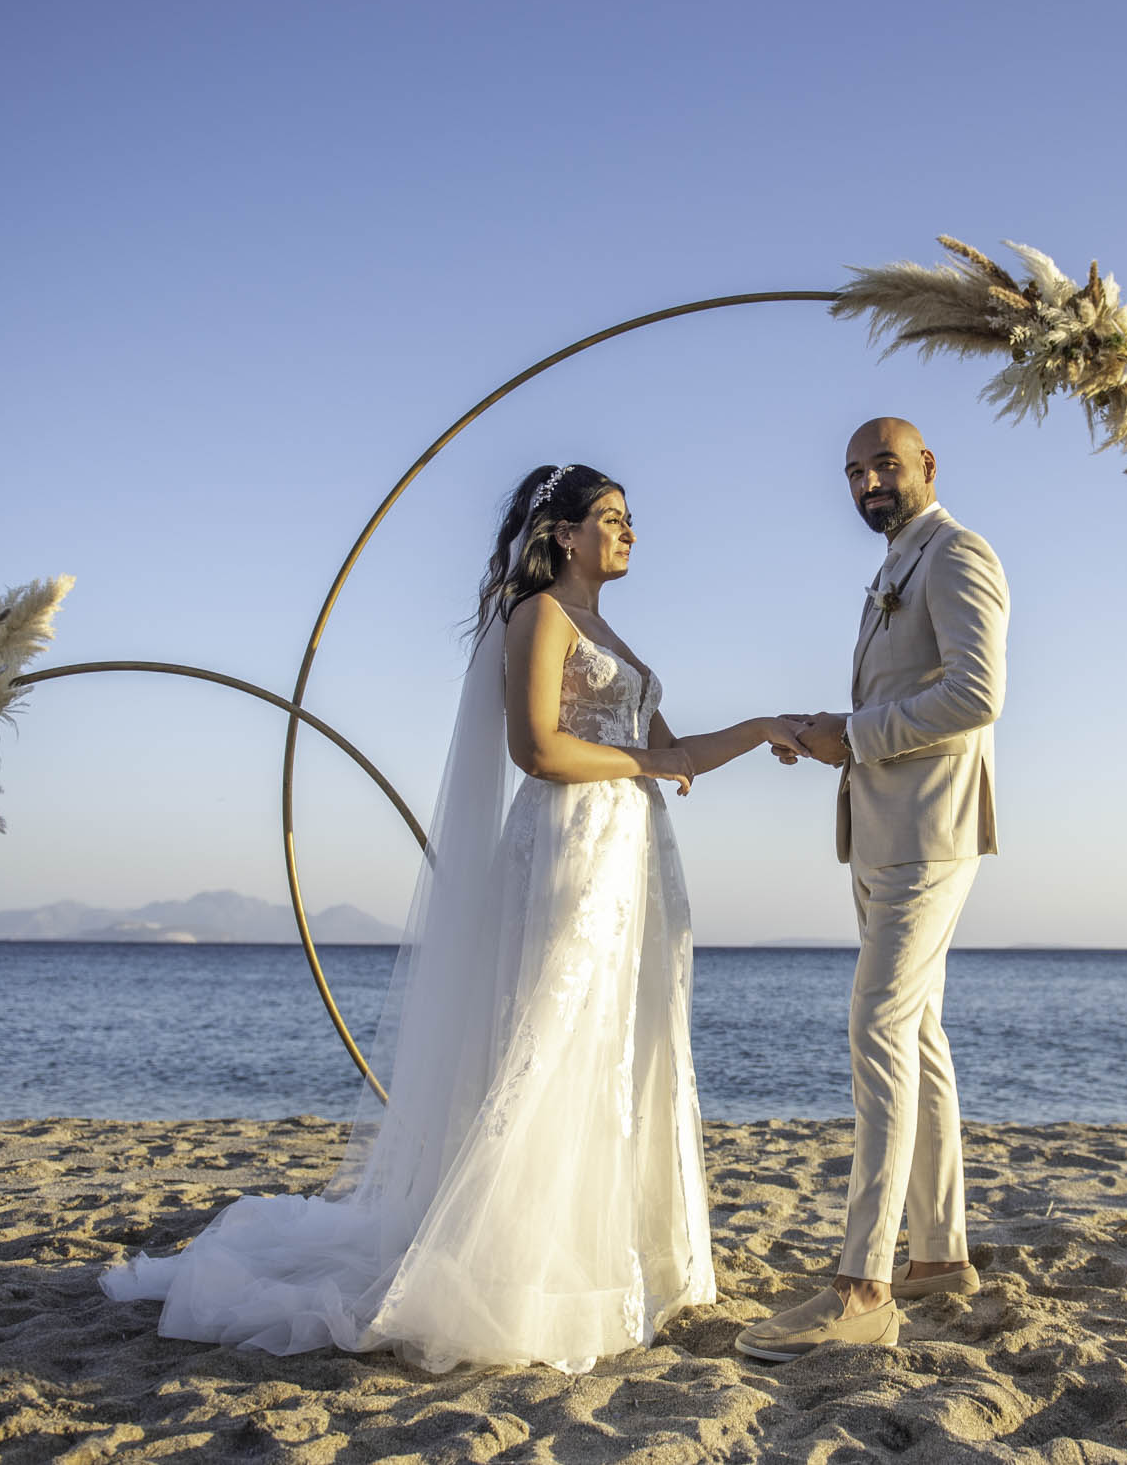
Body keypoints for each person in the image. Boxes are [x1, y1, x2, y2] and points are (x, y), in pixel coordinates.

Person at [102, 463, 805, 1372]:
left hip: (636, 856)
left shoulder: (610, 631)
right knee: (553, 1038)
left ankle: (622, 1254)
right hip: (568, 850)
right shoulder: (539, 617)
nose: (630, 533)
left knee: (628, 1039)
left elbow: (670, 755)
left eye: (631, 519)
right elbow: (539, 749)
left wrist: (760, 727)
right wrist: (643, 764)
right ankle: (523, 1262)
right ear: (560, 534)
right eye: (611, 518)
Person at [738, 417, 1010, 1362]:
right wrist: (830, 730)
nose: (867, 484)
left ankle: (863, 1287)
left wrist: (852, 735)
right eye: (854, 472)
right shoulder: (895, 564)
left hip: (930, 833)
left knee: (879, 1029)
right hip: (881, 831)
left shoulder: (957, 553)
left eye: (883, 465)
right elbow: (895, 697)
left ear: (927, 466)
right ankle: (938, 1254)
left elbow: (977, 696)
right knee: (918, 1034)